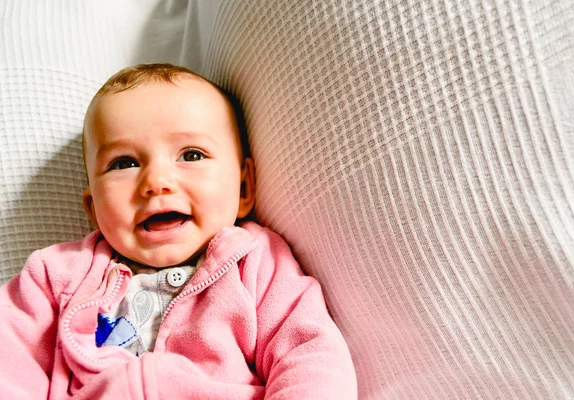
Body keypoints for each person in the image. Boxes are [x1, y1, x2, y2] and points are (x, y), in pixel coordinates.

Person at [0, 63, 357, 399]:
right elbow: (10, 359)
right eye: (124, 163)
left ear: (244, 189)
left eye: (191, 155)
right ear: (94, 210)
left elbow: (310, 356)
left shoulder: (256, 265)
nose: (156, 182)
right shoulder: (56, 275)